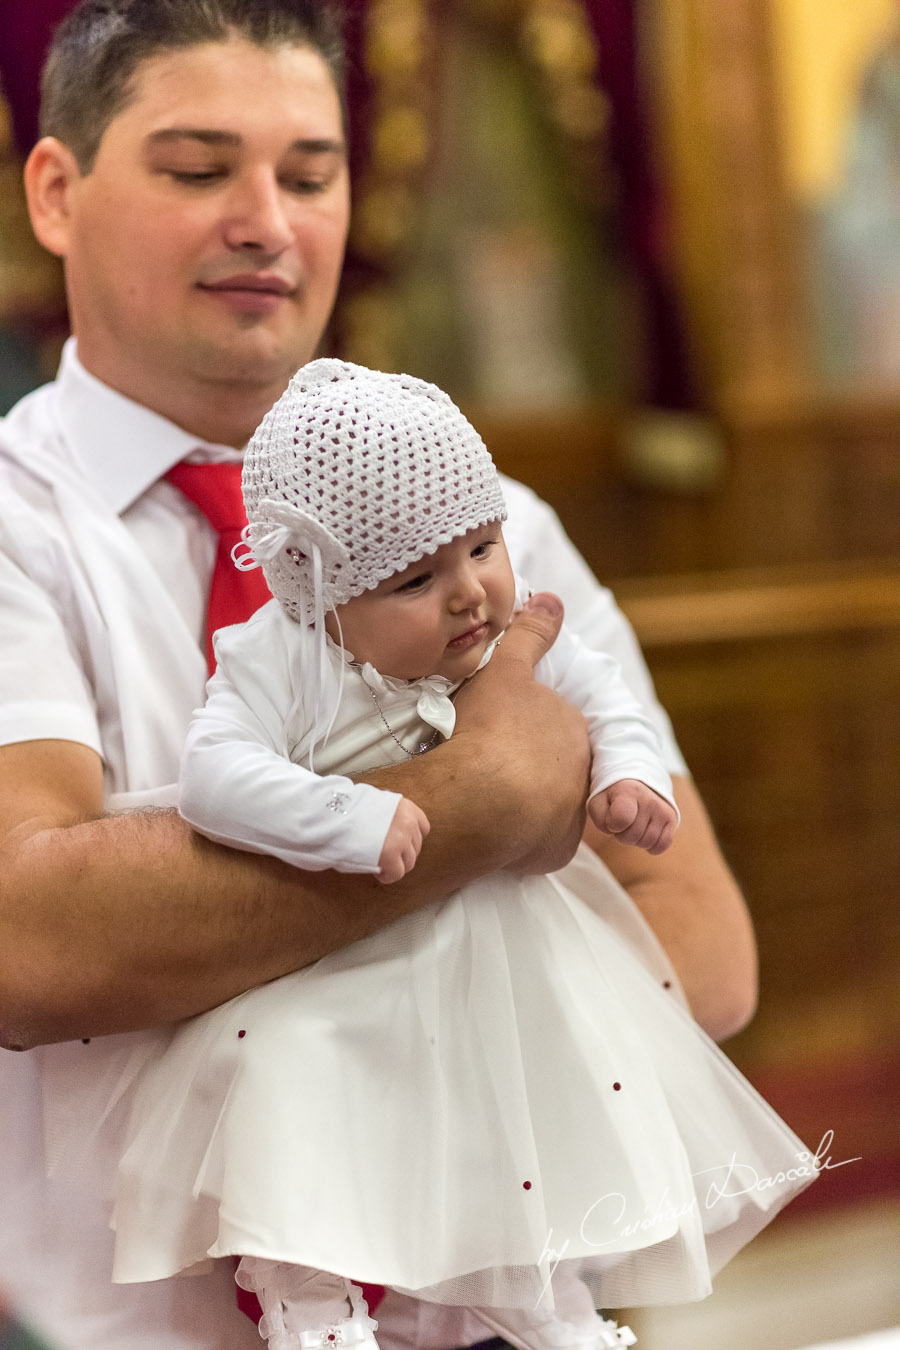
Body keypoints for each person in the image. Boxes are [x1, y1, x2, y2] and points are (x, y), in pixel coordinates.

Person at [0, 2, 756, 1347]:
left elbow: (700, 936)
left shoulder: (495, 522)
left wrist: (368, 1067)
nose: (267, 222)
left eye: (311, 172)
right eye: (195, 168)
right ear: (56, 191)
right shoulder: (14, 524)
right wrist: (489, 795)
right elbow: (29, 935)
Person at [84, 359, 814, 1350]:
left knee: (512, 1125)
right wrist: (344, 818)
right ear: (321, 598)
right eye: (417, 579)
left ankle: (546, 1301)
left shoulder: (509, 627)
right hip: (332, 961)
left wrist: (626, 776)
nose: (470, 593)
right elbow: (216, 775)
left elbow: (605, 696)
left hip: (486, 949)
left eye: (483, 545)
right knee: (302, 1106)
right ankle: (313, 1302)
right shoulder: (285, 659)